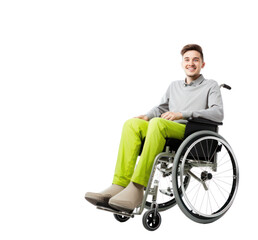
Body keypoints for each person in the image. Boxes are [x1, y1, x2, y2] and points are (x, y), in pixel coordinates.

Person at [85, 44, 224, 212]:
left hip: (189, 131)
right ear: (182, 63)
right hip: (165, 127)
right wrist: (146, 116)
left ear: (202, 64)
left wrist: (182, 114)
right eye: (187, 60)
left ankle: (137, 188)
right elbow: (161, 108)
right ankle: (120, 184)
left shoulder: (211, 85)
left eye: (196, 60)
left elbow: (218, 113)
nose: (191, 63)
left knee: (157, 123)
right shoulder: (174, 86)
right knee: (132, 124)